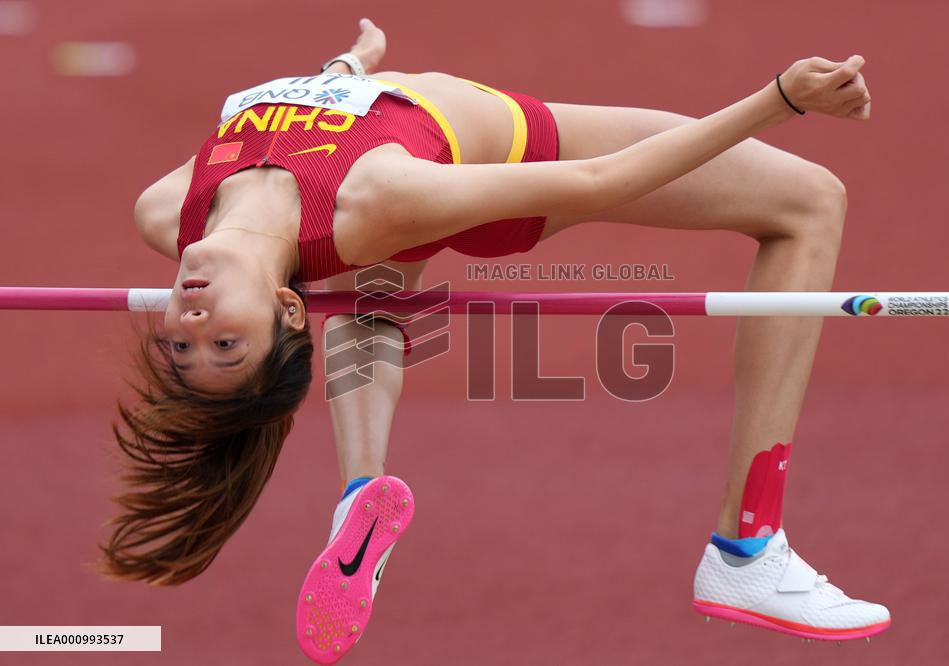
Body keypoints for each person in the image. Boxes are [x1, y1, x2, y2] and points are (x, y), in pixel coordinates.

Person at [108, 17, 887, 664]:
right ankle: (746, 550)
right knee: (810, 201)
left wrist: (346, 65)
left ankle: (361, 489)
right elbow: (602, 181)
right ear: (284, 312)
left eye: (183, 348)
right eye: (225, 351)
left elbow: (294, 136)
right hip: (499, 152)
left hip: (371, 195)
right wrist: (780, 99)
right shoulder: (377, 201)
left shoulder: (166, 210)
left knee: (368, 279)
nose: (194, 328)